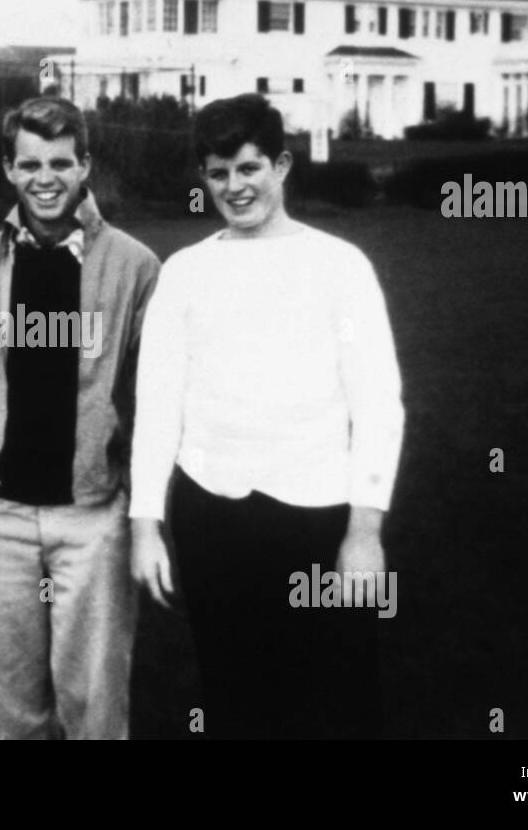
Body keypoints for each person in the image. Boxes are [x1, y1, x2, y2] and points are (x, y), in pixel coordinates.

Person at [128, 93, 404, 739]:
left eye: (249, 169)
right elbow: (158, 404)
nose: (235, 187)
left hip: (316, 514)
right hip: (212, 515)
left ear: (281, 165)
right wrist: (145, 525)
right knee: (237, 698)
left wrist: (364, 533)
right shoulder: (185, 272)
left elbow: (378, 403)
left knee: (337, 701)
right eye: (219, 174)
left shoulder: (340, 265)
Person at [0, 96, 161, 739]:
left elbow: (156, 400)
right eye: (29, 163)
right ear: (8, 169)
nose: (46, 178)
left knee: (93, 703)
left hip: (91, 519)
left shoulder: (135, 266)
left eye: (61, 162)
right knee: (12, 706)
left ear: (85, 164)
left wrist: (131, 502)